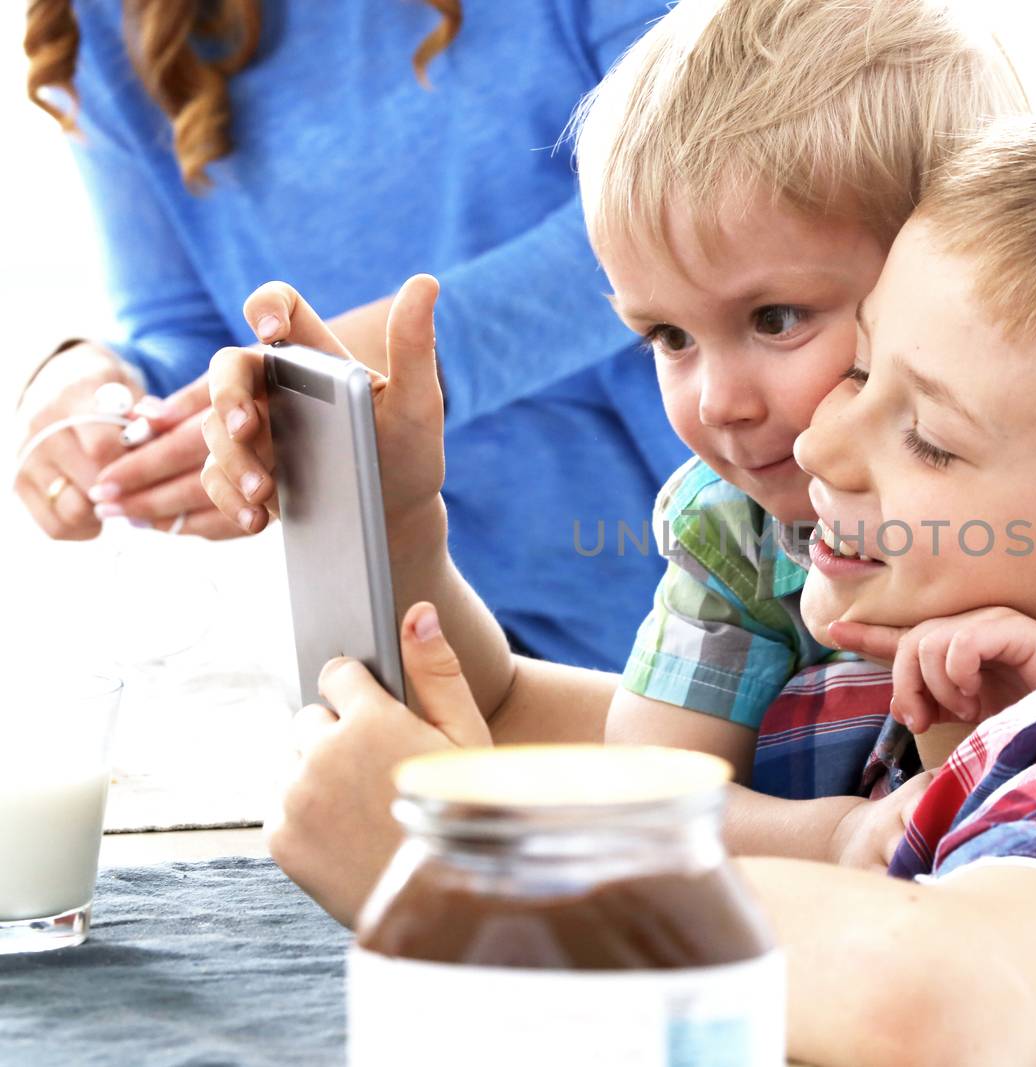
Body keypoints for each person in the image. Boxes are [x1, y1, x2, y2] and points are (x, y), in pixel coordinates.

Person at [208, 0, 1036, 999]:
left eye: (780, 318)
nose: (719, 400)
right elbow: (655, 781)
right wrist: (391, 520)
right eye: (663, 335)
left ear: (958, 262)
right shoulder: (734, 521)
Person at [15, 0, 680, 668]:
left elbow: (684, 203)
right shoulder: (106, 20)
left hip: (694, 574)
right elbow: (186, 328)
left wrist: (344, 379)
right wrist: (91, 380)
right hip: (410, 620)